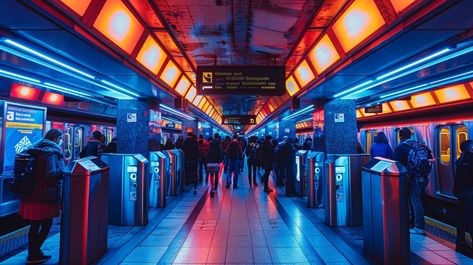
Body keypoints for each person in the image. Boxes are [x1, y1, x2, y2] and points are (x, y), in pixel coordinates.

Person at [19, 129, 65, 264]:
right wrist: (64, 172)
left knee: (35, 225)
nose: (60, 141)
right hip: (44, 195)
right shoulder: (50, 152)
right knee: (46, 224)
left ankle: (34, 253)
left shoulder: (36, 149)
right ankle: (34, 254)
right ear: (56, 138)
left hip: (31, 193)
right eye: (60, 138)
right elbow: (50, 174)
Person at [394, 128, 431, 235]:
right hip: (423, 177)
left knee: (412, 201)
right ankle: (416, 224)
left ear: (400, 136)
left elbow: (397, 165)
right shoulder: (418, 145)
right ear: (410, 135)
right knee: (417, 201)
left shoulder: (400, 148)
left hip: (410, 178)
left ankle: (417, 226)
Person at [453, 140, 473, 255]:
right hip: (470, 192)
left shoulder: (461, 159)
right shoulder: (471, 159)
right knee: (471, 218)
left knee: (462, 218)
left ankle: (460, 242)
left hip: (461, 193)